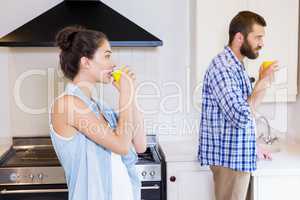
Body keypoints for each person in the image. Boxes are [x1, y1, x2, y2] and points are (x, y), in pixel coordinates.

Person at [49, 26, 146, 200]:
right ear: (86, 62)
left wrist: (131, 93)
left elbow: (139, 144)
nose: (113, 63)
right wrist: (124, 93)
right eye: (107, 56)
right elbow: (122, 146)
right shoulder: (67, 105)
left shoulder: (100, 107)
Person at [198, 11, 278, 200]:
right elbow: (241, 115)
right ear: (239, 37)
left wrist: (262, 82)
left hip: (238, 157)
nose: (262, 43)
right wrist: (261, 83)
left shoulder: (236, 66)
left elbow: (248, 109)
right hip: (229, 160)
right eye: (258, 37)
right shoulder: (223, 67)